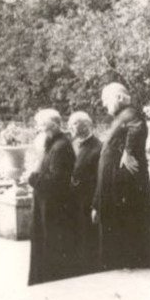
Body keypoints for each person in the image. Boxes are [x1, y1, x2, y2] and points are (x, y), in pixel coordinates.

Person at [91, 83, 150, 271]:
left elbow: (137, 128)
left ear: (119, 97)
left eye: (106, 100)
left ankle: (130, 260)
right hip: (119, 181)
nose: (104, 104)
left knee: (128, 218)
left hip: (125, 181)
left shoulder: (131, 113)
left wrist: (128, 151)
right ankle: (125, 260)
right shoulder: (122, 115)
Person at [28, 109, 77, 286]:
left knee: (51, 247)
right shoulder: (54, 144)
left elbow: (56, 181)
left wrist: (33, 178)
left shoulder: (61, 146)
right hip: (47, 207)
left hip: (53, 209)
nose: (39, 129)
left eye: (42, 126)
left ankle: (50, 282)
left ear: (54, 126)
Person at [67, 111, 102, 275]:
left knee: (90, 241)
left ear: (87, 125)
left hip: (88, 202)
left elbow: (101, 181)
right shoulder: (74, 145)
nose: (69, 127)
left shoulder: (99, 148)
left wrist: (96, 206)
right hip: (74, 202)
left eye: (74, 123)